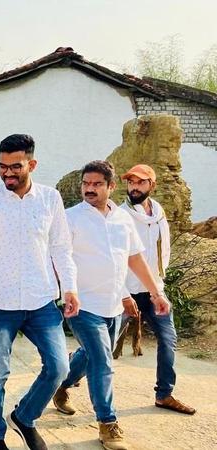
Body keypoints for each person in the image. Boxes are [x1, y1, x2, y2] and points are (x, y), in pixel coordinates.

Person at [0, 134, 80, 450]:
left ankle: (25, 417)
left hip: (41, 300)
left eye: (15, 167)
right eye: (2, 167)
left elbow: (60, 247)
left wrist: (69, 287)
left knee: (59, 367)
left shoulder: (50, 198)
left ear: (32, 164)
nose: (7, 174)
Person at [51, 161, 172, 450]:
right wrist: (62, 291)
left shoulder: (122, 219)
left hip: (114, 304)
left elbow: (134, 260)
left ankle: (61, 384)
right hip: (82, 304)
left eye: (96, 184)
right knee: (103, 361)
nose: (89, 189)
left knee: (90, 355)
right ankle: (108, 423)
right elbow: (57, 258)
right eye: (85, 184)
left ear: (110, 187)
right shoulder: (71, 219)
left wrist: (155, 293)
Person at [119, 164, 195, 415]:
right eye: (131, 182)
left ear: (152, 185)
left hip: (153, 290)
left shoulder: (159, 214)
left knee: (168, 338)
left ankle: (164, 394)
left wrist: (158, 287)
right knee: (101, 346)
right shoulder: (121, 216)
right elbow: (116, 260)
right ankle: (63, 383)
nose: (134, 187)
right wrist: (123, 294)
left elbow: (163, 252)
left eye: (140, 182)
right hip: (126, 291)